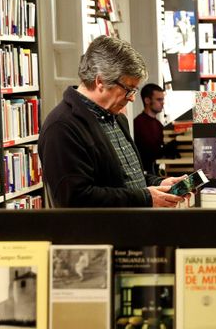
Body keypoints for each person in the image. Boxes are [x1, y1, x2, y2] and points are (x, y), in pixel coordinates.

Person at [40, 36, 185, 208]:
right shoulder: (62, 127)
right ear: (100, 81)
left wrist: (161, 184)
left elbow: (127, 178)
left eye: (134, 91)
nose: (131, 99)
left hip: (132, 228)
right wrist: (145, 198)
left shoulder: (116, 118)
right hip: (100, 233)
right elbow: (75, 198)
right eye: (128, 90)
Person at [132, 83, 175, 172]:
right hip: (145, 172)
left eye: (163, 99)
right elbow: (148, 153)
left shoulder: (158, 124)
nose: (162, 103)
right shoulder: (138, 123)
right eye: (159, 100)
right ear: (147, 100)